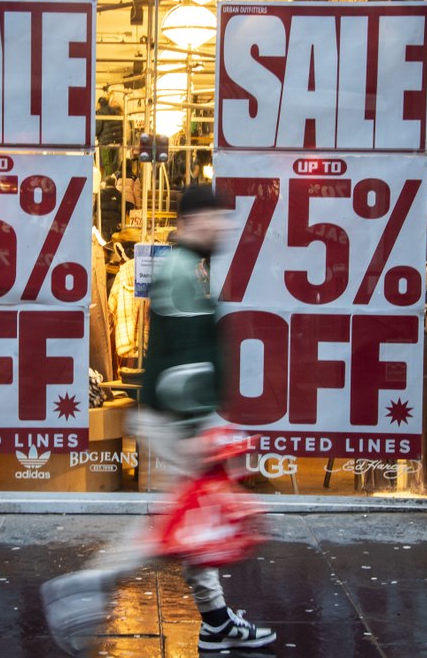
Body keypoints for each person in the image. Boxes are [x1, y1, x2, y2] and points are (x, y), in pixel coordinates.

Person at [41, 185, 276, 654]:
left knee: (194, 519)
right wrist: (196, 427)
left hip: (176, 415)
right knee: (174, 524)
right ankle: (90, 585)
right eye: (216, 218)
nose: (224, 227)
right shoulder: (184, 270)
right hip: (177, 418)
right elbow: (186, 358)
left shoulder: (185, 265)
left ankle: (214, 621)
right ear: (192, 220)